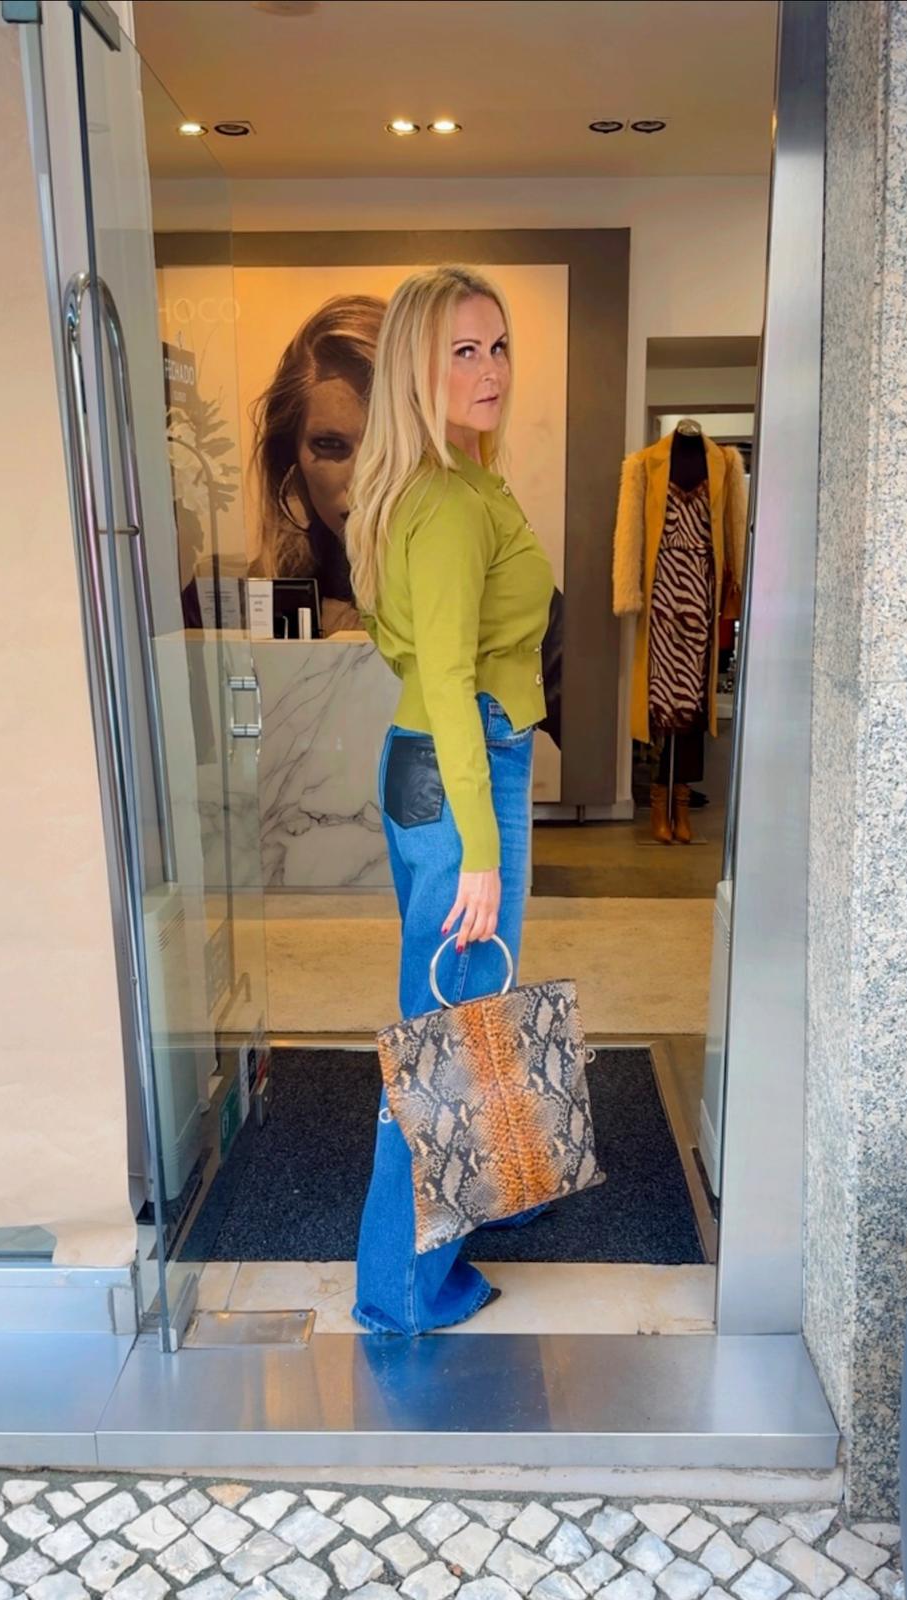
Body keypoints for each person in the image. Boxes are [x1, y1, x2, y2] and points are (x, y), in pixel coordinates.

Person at [345, 265, 555, 1335]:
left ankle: (432, 1252)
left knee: (456, 1021)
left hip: (440, 766)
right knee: (439, 1037)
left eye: (499, 344)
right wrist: (480, 845)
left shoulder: (464, 481)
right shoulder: (445, 500)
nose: (490, 368)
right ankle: (400, 1289)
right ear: (418, 371)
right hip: (458, 768)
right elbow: (445, 681)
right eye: (463, 350)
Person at [249, 294, 386, 634]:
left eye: (388, 445)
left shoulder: (502, 596)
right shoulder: (244, 605)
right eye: (329, 444)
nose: (362, 482)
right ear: (290, 456)